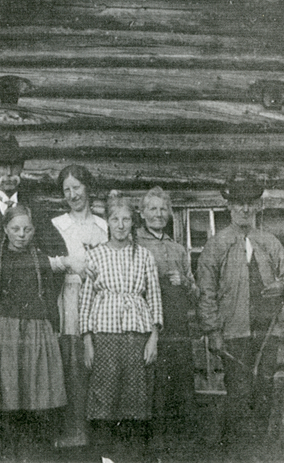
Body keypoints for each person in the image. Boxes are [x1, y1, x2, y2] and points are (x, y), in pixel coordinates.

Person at [197, 173, 284, 449]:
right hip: (235, 332)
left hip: (267, 333)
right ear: (229, 207)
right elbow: (205, 293)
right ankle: (235, 451)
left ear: (257, 207)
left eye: (250, 203)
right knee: (239, 393)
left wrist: (281, 286)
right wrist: (212, 332)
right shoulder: (216, 245)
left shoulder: (269, 242)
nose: (244, 209)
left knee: (263, 391)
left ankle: (258, 451)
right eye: (239, 203)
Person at [80, 191, 163, 462]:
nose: (120, 225)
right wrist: (87, 341)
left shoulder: (144, 256)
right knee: (104, 397)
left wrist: (153, 338)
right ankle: (105, 458)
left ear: (133, 222)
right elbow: (85, 301)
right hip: (104, 336)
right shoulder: (95, 255)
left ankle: (131, 457)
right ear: (108, 222)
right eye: (115, 219)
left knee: (135, 398)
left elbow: (154, 298)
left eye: (126, 219)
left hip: (136, 336)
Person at [0, 204, 67, 460]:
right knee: (11, 391)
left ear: (34, 230)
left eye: (27, 229)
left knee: (38, 392)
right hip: (7, 329)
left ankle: (36, 453)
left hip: (36, 328)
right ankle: (9, 452)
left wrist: (52, 328)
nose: (21, 234)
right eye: (15, 229)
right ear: (5, 229)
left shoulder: (40, 259)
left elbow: (52, 294)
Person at [50, 164, 108, 449]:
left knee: (97, 363)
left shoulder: (103, 226)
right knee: (73, 365)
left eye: (77, 187)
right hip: (70, 298)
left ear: (88, 188)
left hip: (99, 302)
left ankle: (97, 437)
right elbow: (50, 264)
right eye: (67, 190)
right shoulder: (58, 225)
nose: (73, 194)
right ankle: (73, 436)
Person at [136, 186, 198, 453]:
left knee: (181, 388)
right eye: (153, 209)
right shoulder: (135, 244)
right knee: (154, 389)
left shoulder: (178, 249)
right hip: (147, 328)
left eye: (163, 209)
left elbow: (196, 293)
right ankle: (153, 450)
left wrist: (183, 282)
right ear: (142, 213)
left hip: (177, 326)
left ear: (170, 213)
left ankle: (180, 451)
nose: (158, 215)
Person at [0, 133, 67, 263]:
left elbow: (58, 252)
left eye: (14, 165)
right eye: (2, 166)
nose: (8, 173)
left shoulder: (36, 211)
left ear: (22, 167)